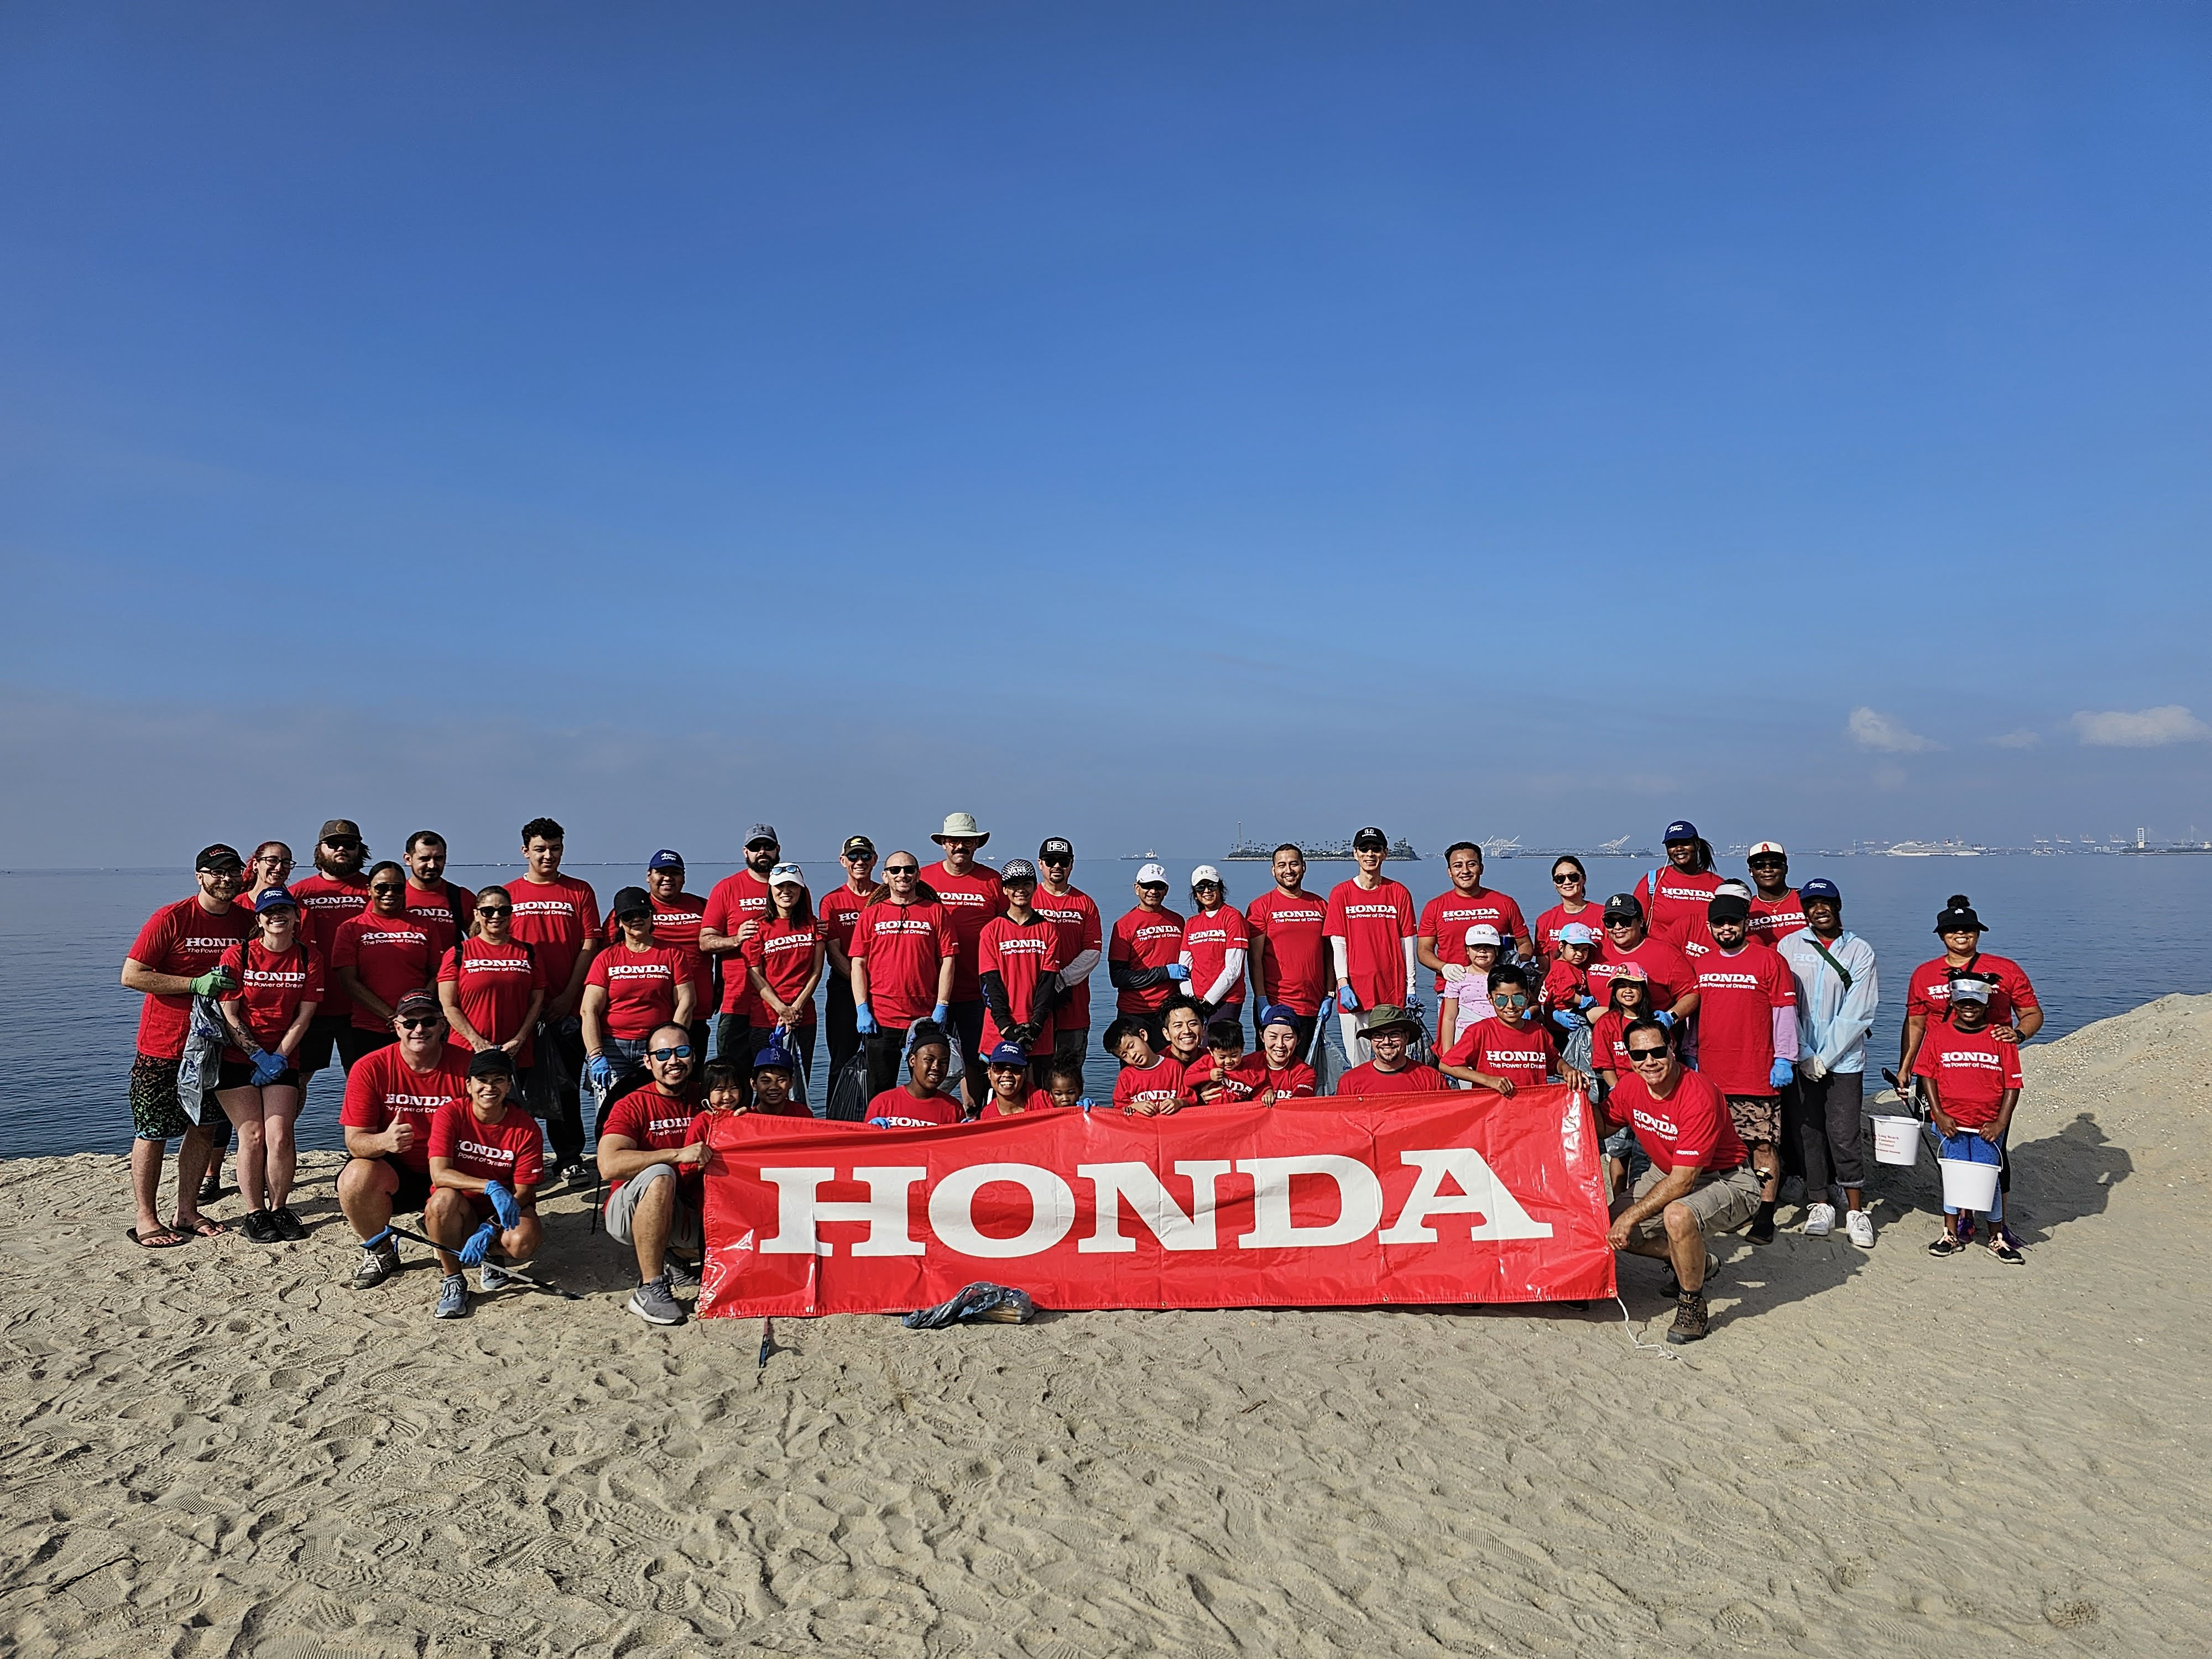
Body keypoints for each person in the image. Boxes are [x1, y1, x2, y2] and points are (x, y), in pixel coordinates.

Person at [119, 844, 256, 1247]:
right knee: (153, 1131)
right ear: (200, 876)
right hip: (163, 1045)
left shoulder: (247, 922)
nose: (225, 879)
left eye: (232, 872)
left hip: (215, 1047)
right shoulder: (171, 918)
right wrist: (193, 985)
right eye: (216, 872)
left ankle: (186, 1210)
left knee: (204, 1129)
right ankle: (146, 1217)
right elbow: (133, 975)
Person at [1600, 1018, 1764, 1345]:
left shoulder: (1698, 1095)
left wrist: (1632, 1215)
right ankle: (1697, 1260)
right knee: (1607, 1226)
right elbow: (1599, 1126)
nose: (1649, 1062)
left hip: (1727, 1178)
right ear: (1628, 1058)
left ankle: (1691, 1302)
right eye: (1639, 1055)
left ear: (1672, 1048)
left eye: (1657, 1051)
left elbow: (1683, 1182)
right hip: (1667, 1171)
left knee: (1677, 1215)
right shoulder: (1630, 1086)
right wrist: (1571, 1096)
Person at [1897, 894, 2042, 1227]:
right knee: (1950, 1146)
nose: (1961, 935)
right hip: (1940, 1071)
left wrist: (2018, 1035)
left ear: (1978, 933)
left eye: (1968, 929)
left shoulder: (2006, 970)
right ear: (1941, 935)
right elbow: (1916, 1023)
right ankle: (1962, 1215)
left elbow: (2032, 1013)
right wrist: (1906, 1067)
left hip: (1987, 1074)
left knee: (1994, 1149)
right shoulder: (1924, 974)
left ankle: (1998, 1220)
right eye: (1952, 930)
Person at [1681, 890, 1798, 1245]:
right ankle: (1734, 1204)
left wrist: (1785, 1058)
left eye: (1733, 922)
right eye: (1719, 923)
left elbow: (1784, 1012)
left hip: (1757, 1072)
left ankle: (1765, 1213)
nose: (1727, 928)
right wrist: (1690, 1053)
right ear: (1710, 927)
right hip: (1712, 1074)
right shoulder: (1702, 965)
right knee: (1719, 1147)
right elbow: (1694, 1015)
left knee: (1762, 1146)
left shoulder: (1770, 961)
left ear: (1745, 923)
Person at [337, 990, 472, 1288]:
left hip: (450, 1169)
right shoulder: (370, 1067)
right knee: (355, 1177)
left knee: (473, 1247)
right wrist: (385, 1141)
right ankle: (381, 1251)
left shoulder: (468, 1066)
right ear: (396, 1026)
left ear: (443, 1025)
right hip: (398, 1171)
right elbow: (354, 1141)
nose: (419, 1029)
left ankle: (435, 1221)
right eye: (410, 1022)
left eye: (428, 1021)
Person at [212, 886, 322, 1243]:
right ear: (259, 919)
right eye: (270, 911)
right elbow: (229, 1015)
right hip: (236, 1058)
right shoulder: (238, 954)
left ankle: (278, 1207)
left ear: (295, 917)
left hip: (284, 1056)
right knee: (253, 1136)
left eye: (285, 910)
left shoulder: (309, 958)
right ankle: (254, 1212)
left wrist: (278, 1058)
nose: (278, 916)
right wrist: (257, 1055)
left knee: (279, 1135)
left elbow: (304, 1017)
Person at [1776, 879, 1880, 1247]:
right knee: (1808, 1132)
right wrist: (1803, 1053)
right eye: (1811, 904)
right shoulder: (1789, 946)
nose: (1819, 910)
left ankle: (1855, 1210)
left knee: (1844, 1132)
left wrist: (1825, 1056)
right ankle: (1818, 1203)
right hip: (1801, 1057)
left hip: (1844, 1061)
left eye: (1826, 903)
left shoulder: (1859, 951)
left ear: (1838, 906)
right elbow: (1785, 1003)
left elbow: (1859, 1011)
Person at [595, 1022, 708, 1326]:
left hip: (686, 1208)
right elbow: (608, 1165)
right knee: (660, 1173)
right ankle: (650, 1288)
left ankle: (678, 1260)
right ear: (648, 1062)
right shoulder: (632, 1104)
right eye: (663, 1054)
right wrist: (675, 1155)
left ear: (694, 1057)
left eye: (681, 1052)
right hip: (630, 1211)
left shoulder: (708, 1098)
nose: (673, 1061)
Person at [508, 817, 601, 1182]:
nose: (549, 856)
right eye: (541, 849)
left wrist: (567, 997)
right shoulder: (509, 895)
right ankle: (522, 1158)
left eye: (556, 848)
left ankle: (568, 1157)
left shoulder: (580, 891)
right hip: (522, 1013)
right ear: (525, 851)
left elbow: (589, 945)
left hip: (567, 1009)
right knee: (518, 1089)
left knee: (564, 1088)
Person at [424, 1048, 546, 1320]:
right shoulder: (450, 1114)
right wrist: (490, 1186)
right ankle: (453, 1279)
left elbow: (525, 1190)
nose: (489, 1087)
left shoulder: (527, 1128)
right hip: (461, 1204)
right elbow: (439, 1174)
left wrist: (491, 1227)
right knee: (442, 1200)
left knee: (524, 1241)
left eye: (498, 1079)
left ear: (509, 1085)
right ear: (469, 1085)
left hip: (502, 1212)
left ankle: (491, 1255)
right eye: (482, 1080)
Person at [1916, 975, 2025, 1264]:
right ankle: (1950, 1233)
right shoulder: (1938, 1035)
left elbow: (2013, 1085)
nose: (1969, 1008)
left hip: (1987, 1125)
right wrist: (1938, 1115)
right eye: (1962, 1002)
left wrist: (2001, 1123)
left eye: (1975, 1003)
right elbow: (1927, 1075)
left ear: (1986, 1003)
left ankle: (1996, 1236)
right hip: (1952, 1123)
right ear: (1952, 1002)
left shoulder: (2000, 1038)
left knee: (1987, 1178)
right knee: (1954, 1177)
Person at [849, 853, 958, 1100]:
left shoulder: (936, 913)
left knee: (925, 1089)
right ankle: (879, 1133)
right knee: (879, 1090)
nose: (903, 875)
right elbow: (858, 963)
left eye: (909, 870)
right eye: (896, 870)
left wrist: (941, 1006)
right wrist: (862, 1008)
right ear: (885, 876)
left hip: (923, 1018)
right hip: (881, 1017)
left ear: (918, 875)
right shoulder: (871, 915)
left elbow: (948, 961)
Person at [582, 887, 697, 1118]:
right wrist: (596, 1056)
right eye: (628, 915)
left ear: (652, 916)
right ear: (619, 922)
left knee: (658, 1111)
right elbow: (589, 1010)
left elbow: (687, 1000)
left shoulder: (672, 953)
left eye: (643, 913)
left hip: (656, 1048)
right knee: (610, 1115)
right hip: (614, 1048)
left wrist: (669, 1046)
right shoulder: (606, 958)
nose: (637, 919)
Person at [921, 812, 1007, 1110]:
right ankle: (931, 1114)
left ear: (976, 844)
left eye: (967, 841)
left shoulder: (993, 880)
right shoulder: (923, 878)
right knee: (929, 1057)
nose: (961, 846)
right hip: (932, 991)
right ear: (944, 843)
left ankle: (974, 1114)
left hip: (977, 989)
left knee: (974, 1058)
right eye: (955, 840)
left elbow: (1009, 928)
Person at [1323, 827, 1420, 1065]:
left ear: (1385, 853)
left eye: (1376, 849)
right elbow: (1339, 945)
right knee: (1358, 1063)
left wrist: (1411, 989)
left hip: (1391, 991)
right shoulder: (1341, 893)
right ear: (1355, 854)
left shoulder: (1398, 893)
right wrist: (1343, 984)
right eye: (1364, 849)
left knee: (1394, 1060)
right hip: (1354, 994)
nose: (1370, 854)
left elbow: (1407, 943)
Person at [290, 819, 374, 1083]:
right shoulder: (298, 894)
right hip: (309, 1007)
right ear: (320, 849)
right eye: (333, 844)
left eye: (349, 844)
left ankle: (363, 1127)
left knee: (364, 1079)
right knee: (298, 1080)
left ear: (360, 850)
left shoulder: (375, 890)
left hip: (363, 1006)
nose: (341, 849)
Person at [437, 884, 546, 1084]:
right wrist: (476, 1041)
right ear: (477, 915)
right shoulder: (458, 953)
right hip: (467, 1050)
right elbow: (448, 1006)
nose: (496, 916)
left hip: (515, 1053)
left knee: (512, 1111)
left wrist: (519, 1040)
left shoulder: (528, 952)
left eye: (504, 910)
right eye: (488, 911)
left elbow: (537, 1002)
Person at [699, 824, 782, 1082]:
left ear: (777, 850)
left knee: (776, 1080)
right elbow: (705, 942)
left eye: (768, 846)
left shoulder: (789, 885)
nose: (762, 852)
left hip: (779, 1002)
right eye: (756, 848)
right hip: (737, 1000)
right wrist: (736, 939)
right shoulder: (727, 888)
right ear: (746, 852)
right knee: (732, 1077)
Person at [332, 862, 440, 1056]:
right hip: (369, 1027)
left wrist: (414, 1011)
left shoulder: (426, 926)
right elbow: (347, 981)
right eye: (382, 888)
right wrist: (392, 1017)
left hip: (418, 1027)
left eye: (397, 888)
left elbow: (437, 974)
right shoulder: (350, 929)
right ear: (369, 890)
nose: (389, 893)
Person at [740, 863, 826, 1102]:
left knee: (799, 1084)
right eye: (780, 887)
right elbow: (755, 975)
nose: (786, 891)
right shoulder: (758, 928)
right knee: (766, 1084)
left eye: (792, 886)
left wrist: (795, 1008)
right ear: (771, 891)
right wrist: (781, 1009)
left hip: (803, 1018)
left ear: (801, 890)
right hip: (767, 1019)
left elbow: (816, 972)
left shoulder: (813, 926)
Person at [1438, 964, 1590, 1097]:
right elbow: (1447, 1065)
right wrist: (1488, 1080)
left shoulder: (1538, 1032)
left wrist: (1567, 1069)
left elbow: (1554, 1061)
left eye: (1518, 999)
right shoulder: (1480, 1032)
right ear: (1490, 999)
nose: (1510, 1006)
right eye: (1501, 999)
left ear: (1527, 997)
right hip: (1493, 1115)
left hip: (1533, 1112)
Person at [978, 859, 1068, 1067]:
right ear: (1004, 889)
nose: (1020, 890)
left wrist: (1036, 1026)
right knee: (1000, 1094)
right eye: (1014, 885)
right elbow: (990, 984)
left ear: (1034, 886)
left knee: (1037, 1095)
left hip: (1038, 1031)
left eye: (1026, 884)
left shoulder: (1049, 931)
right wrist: (1005, 1028)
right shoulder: (991, 931)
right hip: (999, 1030)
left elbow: (1048, 983)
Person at [1417, 842, 1530, 1006]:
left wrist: (1515, 966)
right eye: (1458, 866)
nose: (1465, 871)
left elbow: (1525, 943)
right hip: (1452, 992)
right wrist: (1444, 968)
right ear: (1450, 872)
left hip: (1500, 993)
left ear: (1481, 868)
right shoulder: (1435, 907)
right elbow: (1423, 951)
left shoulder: (1505, 903)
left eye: (1472, 864)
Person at [1245, 845, 1328, 1056]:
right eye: (1282, 865)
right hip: (1276, 1005)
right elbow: (1254, 959)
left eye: (1294, 864)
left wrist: (1330, 994)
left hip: (1313, 1006)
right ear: (1273, 870)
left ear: (1304, 867)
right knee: (1270, 1071)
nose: (1288, 870)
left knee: (1306, 1074)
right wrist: (1261, 999)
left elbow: (1330, 955)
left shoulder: (1320, 905)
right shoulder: (1260, 907)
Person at [1031, 837, 1103, 1071]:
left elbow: (1093, 951)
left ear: (1071, 865)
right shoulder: (1027, 900)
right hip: (1031, 1009)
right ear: (1040, 864)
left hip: (1073, 1012)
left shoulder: (1085, 904)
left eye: (1063, 861)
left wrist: (1060, 981)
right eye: (1051, 861)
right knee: (1034, 1082)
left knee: (1068, 1081)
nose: (1057, 866)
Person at [643, 850, 714, 1065]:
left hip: (696, 1014)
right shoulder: (635, 910)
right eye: (661, 872)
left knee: (691, 1083)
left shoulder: (704, 906)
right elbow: (610, 955)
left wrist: (719, 987)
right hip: (649, 1016)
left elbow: (722, 948)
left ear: (684, 877)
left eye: (675, 873)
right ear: (649, 876)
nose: (668, 878)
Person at [1589, 966, 1657, 1190]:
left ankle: (1642, 1200)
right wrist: (1620, 1091)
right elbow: (1604, 1064)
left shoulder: (1654, 1022)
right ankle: (1619, 1203)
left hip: (1652, 1095)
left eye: (1633, 986)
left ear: (1643, 989)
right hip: (1618, 1093)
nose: (1627, 991)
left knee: (1647, 1153)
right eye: (1621, 986)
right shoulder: (1607, 1022)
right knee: (1619, 1151)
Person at [818, 836, 879, 1079]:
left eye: (865, 856)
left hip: (882, 990)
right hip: (844, 989)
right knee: (841, 1062)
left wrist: (875, 987)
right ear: (843, 861)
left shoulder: (884, 896)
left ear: (874, 860)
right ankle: (836, 1115)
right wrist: (860, 986)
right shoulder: (832, 901)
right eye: (853, 856)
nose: (860, 861)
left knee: (880, 1062)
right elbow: (833, 952)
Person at [1107, 863, 1189, 1046]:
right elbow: (1118, 977)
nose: (1153, 891)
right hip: (1135, 1013)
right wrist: (1164, 973)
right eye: (1147, 886)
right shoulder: (1123, 926)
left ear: (1166, 890)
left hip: (1170, 1013)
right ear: (1137, 889)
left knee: (1171, 1070)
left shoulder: (1178, 921)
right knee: (1135, 1070)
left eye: (1159, 886)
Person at [1589, 894, 1698, 1023]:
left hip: (1649, 1035)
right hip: (1602, 1035)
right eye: (1610, 922)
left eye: (1625, 921)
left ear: (1640, 922)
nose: (1617, 927)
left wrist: (1671, 1016)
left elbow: (1691, 994)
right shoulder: (1594, 950)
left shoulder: (1666, 953)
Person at [1178, 867, 1251, 1025]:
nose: (1206, 891)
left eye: (1211, 885)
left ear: (1220, 887)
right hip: (1196, 1002)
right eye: (1200, 887)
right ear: (1195, 893)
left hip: (1227, 1000)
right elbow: (1184, 968)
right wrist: (1192, 1002)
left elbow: (1234, 969)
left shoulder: (1233, 917)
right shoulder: (1191, 924)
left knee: (1214, 1048)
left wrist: (1208, 1002)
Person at [1633, 821, 1724, 946]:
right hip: (1661, 956)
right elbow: (1636, 924)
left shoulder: (1718, 885)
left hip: (1703, 958)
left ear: (1697, 844)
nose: (1679, 848)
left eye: (1685, 843)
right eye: (1672, 845)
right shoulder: (1652, 881)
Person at [866, 1021, 964, 1126]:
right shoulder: (883, 1103)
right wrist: (870, 1128)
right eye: (929, 1060)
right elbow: (865, 1142)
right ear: (912, 1060)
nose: (936, 1067)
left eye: (944, 1062)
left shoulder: (954, 1109)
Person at [1337, 1004, 1446, 1094]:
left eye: (1394, 1034)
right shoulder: (1350, 1082)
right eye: (1379, 1036)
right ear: (1371, 1039)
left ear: (1406, 1037)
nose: (1387, 1042)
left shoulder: (1432, 1079)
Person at [1435, 925, 1506, 1056]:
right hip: (1465, 1038)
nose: (1482, 951)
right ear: (1467, 950)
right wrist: (1447, 1052)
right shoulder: (1458, 976)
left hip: (1500, 1038)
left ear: (1497, 950)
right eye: (1476, 946)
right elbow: (1449, 1018)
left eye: (1488, 947)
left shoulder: (1506, 976)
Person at [401, 831, 476, 954]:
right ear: (408, 859)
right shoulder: (392, 896)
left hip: (449, 971)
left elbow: (485, 941)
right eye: (424, 859)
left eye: (438, 858)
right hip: (405, 972)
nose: (432, 865)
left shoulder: (460, 897)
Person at [1105, 1015, 1186, 1115]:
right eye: (1124, 1055)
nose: (1132, 1055)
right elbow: (1119, 1109)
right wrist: (1134, 1106)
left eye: (1132, 1046)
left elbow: (1190, 1099)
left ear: (1143, 1035)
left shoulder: (1175, 1068)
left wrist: (1179, 1103)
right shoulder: (1125, 1077)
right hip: (1141, 1129)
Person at [1533, 855, 1607, 961]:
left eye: (1573, 877)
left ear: (1584, 879)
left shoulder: (1604, 915)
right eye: (1560, 879)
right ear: (1555, 884)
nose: (1567, 882)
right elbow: (1543, 968)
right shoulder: (1544, 921)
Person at [1239, 1004, 1318, 1102]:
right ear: (1262, 1036)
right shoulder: (1246, 1065)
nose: (1280, 1045)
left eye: (1288, 1038)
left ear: (1299, 1039)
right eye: (1273, 1037)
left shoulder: (1304, 1073)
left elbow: (1300, 1103)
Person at [1181, 1019, 1259, 1106]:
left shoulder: (1250, 1069)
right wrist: (1208, 1075)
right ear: (1211, 1052)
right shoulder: (1207, 1062)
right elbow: (1187, 1080)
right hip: (1212, 1112)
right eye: (1222, 1057)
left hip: (1239, 1112)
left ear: (1242, 1048)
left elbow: (1260, 1088)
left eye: (1234, 1056)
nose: (1228, 1061)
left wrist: (1267, 1093)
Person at [1744, 842, 1805, 949]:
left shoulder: (1805, 899)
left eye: (1775, 864)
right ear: (1751, 872)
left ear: (1786, 869)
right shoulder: (1746, 908)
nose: (1768, 870)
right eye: (1760, 866)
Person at [978, 1043, 1055, 1117]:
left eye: (1016, 1068)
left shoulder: (1043, 1101)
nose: (1007, 1074)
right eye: (999, 1068)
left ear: (1025, 1074)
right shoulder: (987, 1116)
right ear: (989, 1073)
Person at [1156, 995, 1210, 1077]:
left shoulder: (1215, 1060)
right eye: (1178, 1026)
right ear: (1166, 1033)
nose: (1187, 1031)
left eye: (1193, 1024)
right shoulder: (1157, 1065)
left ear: (1203, 1029)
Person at [241, 841, 295, 909]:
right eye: (272, 861)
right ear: (255, 865)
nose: (279, 868)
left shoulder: (296, 905)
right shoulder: (237, 905)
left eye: (286, 863)